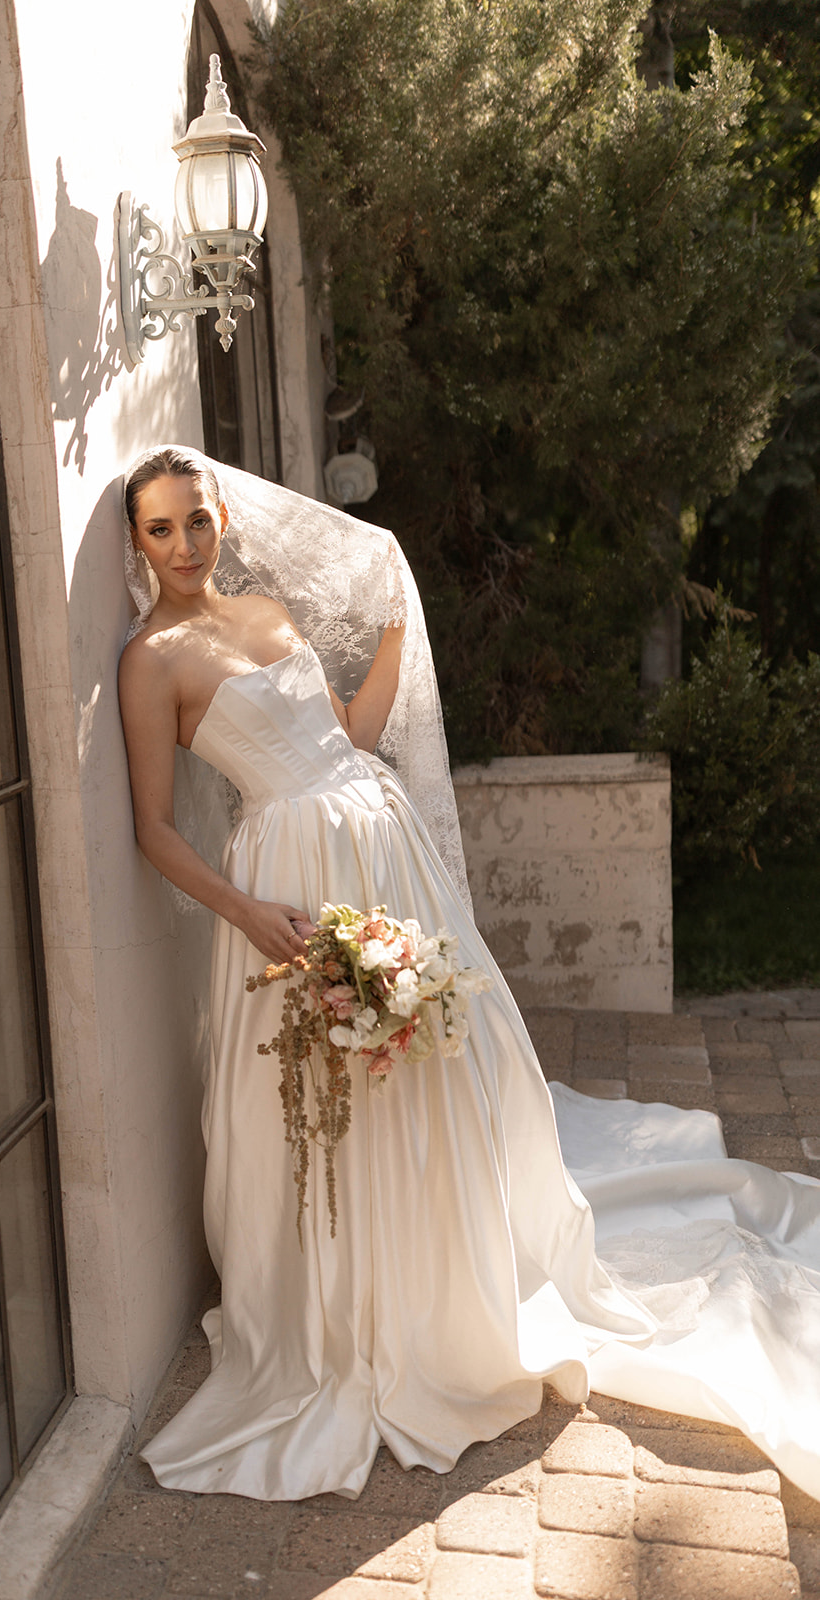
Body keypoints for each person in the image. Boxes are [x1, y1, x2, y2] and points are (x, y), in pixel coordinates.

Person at [118, 445, 820, 1504]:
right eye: (159, 529)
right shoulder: (150, 659)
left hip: (380, 845)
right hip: (289, 884)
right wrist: (249, 911)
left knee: (433, 1060)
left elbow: (348, 735)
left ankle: (445, 1271)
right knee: (336, 1086)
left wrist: (398, 629)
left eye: (195, 521)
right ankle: (359, 1306)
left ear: (224, 521)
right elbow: (154, 832)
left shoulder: (267, 612)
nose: (182, 545)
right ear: (136, 541)